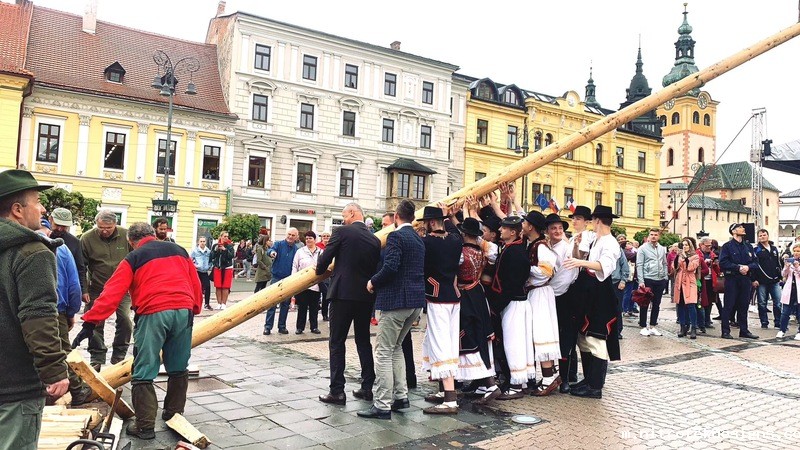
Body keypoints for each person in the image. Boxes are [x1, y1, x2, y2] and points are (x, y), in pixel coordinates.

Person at [72, 222, 202, 440]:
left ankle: (145, 426)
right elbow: (195, 283)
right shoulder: (179, 250)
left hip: (153, 312)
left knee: (144, 369)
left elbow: (112, 293)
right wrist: (193, 308)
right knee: (179, 366)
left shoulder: (133, 258)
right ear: (153, 234)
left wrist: (90, 322)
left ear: (131, 241)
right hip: (183, 310)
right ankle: (173, 414)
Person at [0, 170, 69, 449]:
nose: (42, 209)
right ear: (17, 210)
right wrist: (54, 370)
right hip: (15, 386)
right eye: (38, 202)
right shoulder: (32, 252)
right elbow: (38, 317)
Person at [357, 200, 425, 420]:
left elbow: (391, 266)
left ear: (396, 216)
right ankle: (401, 396)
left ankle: (382, 405)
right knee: (396, 349)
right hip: (414, 303)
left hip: (395, 302)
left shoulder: (396, 236)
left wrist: (373, 281)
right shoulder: (418, 238)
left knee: (384, 352)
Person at [316, 203, 380, 405]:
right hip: (365, 297)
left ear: (352, 213)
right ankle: (367, 388)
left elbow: (324, 259)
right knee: (363, 341)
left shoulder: (341, 232)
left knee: (337, 342)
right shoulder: (374, 239)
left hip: (342, 294)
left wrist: (319, 271)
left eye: (344, 215)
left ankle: (337, 391)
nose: (343, 219)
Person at [562, 205, 622, 399]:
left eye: (593, 220)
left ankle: (595, 386)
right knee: (584, 338)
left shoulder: (610, 242)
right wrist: (578, 253)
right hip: (589, 293)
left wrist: (580, 263)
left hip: (601, 294)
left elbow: (604, 266)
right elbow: (582, 253)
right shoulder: (597, 239)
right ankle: (589, 379)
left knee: (596, 338)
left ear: (597, 221)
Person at [38, 221, 92, 405]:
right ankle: (77, 390)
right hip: (56, 310)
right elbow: (73, 286)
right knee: (61, 351)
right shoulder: (61, 249)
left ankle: (39, 394)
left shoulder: (18, 246)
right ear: (48, 231)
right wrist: (71, 313)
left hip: (24, 312)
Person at [419, 205, 464, 414]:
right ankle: (444, 391)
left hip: (437, 298)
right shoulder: (455, 240)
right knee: (449, 343)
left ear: (431, 222)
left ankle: (450, 400)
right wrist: (449, 216)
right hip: (454, 296)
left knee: (440, 345)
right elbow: (456, 231)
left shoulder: (426, 242)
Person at [81, 209, 132, 371]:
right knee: (94, 322)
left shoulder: (126, 235)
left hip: (122, 288)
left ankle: (119, 354)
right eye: (101, 227)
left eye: (108, 228)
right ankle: (97, 356)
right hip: (97, 287)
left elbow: (135, 259)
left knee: (125, 319)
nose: (104, 231)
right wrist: (84, 289)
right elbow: (81, 266)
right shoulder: (87, 238)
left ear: (115, 224)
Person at [524, 212, 562, 396]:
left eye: (524, 223)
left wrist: (525, 269)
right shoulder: (535, 244)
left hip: (539, 292)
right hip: (537, 292)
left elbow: (545, 271)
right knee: (539, 333)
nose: (522, 225)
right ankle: (550, 374)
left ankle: (548, 378)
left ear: (531, 226)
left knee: (541, 333)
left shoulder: (540, 246)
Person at [548, 209, 580, 393]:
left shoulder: (566, 247)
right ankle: (558, 375)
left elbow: (576, 257)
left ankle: (566, 378)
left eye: (560, 228)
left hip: (565, 296)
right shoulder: (545, 246)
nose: (558, 231)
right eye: (554, 228)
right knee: (552, 337)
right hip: (549, 296)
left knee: (566, 339)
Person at [719, 223, 759, 339]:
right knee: (729, 305)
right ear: (733, 231)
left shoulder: (748, 246)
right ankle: (725, 331)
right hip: (732, 279)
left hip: (745, 279)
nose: (743, 229)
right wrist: (738, 267)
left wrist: (748, 267)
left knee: (744, 305)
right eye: (740, 227)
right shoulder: (727, 246)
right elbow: (723, 262)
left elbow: (755, 262)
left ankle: (744, 330)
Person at [263, 228, 299, 334]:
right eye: (289, 234)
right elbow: (270, 251)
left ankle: (282, 326)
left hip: (289, 279)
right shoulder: (278, 244)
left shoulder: (297, 249)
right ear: (286, 234)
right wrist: (272, 253)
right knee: (272, 302)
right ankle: (268, 327)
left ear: (296, 237)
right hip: (276, 277)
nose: (290, 236)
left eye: (293, 235)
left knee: (285, 304)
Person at [636, 228, 668, 337]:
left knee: (656, 304)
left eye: (655, 234)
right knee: (644, 303)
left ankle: (653, 325)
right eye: (651, 234)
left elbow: (664, 263)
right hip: (648, 278)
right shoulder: (642, 248)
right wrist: (641, 280)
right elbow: (639, 264)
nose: (653, 236)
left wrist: (665, 276)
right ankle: (643, 326)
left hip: (660, 279)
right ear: (649, 236)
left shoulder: (662, 249)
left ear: (659, 236)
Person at [50, 207, 88, 296]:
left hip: (64, 288)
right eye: (57, 225)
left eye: (64, 226)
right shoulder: (42, 236)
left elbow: (80, 268)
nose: (60, 229)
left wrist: (83, 291)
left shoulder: (75, 242)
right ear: (50, 219)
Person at [293, 231, 322, 334]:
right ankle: (300, 327)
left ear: (315, 239)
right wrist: (294, 280)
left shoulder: (321, 252)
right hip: (303, 284)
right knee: (302, 307)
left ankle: (314, 327)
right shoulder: (300, 252)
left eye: (310, 238)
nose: (308, 240)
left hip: (316, 284)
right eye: (307, 238)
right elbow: (295, 266)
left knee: (314, 307)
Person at [754, 229, 782, 329]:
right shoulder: (756, 250)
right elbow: (754, 266)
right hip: (761, 281)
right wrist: (754, 279)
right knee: (762, 303)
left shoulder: (774, 249)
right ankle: (764, 322)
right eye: (760, 235)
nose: (762, 237)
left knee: (778, 302)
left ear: (768, 236)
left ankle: (778, 322)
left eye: (764, 235)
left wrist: (780, 276)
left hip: (774, 280)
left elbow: (778, 263)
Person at [673, 238, 701, 339]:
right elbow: (675, 267)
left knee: (691, 304)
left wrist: (685, 257)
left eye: (686, 245)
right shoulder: (679, 256)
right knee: (680, 304)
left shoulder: (695, 256)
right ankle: (682, 327)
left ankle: (693, 328)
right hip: (680, 280)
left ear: (690, 246)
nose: (684, 247)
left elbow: (691, 267)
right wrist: (678, 256)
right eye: (683, 245)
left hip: (690, 281)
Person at [777, 244, 800, 340]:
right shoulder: (790, 261)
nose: (796, 253)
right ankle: (782, 330)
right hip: (790, 289)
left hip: (798, 289)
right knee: (785, 312)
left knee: (799, 312)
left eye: (798, 251)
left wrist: (797, 267)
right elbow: (783, 274)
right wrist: (786, 266)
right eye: (794, 251)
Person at [611, 235, 630, 341]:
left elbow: (625, 265)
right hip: (603, 281)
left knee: (617, 308)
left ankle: (617, 330)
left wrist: (623, 280)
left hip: (616, 282)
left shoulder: (618, 250)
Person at [255, 235, 274, 332]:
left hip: (267, 271)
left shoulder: (268, 249)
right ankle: (255, 301)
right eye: (268, 240)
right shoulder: (260, 249)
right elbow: (259, 260)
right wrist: (265, 267)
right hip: (262, 271)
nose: (270, 241)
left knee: (264, 286)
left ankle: (261, 301)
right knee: (259, 286)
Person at [211, 231, 235, 310]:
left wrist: (225, 249)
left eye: (227, 236)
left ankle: (224, 304)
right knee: (218, 286)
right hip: (218, 267)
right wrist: (215, 250)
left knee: (225, 286)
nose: (226, 238)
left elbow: (231, 256)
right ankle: (219, 303)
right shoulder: (215, 245)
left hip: (227, 268)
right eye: (224, 236)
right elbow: (212, 256)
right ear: (221, 237)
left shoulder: (230, 246)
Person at [191, 237, 213, 310]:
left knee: (207, 287)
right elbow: (190, 260)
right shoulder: (195, 251)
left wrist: (209, 266)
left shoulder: (208, 251)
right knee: (197, 287)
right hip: (198, 271)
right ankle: (195, 303)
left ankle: (207, 304)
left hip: (205, 272)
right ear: (198, 242)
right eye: (201, 241)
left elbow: (211, 260)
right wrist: (195, 266)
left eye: (204, 241)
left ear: (205, 242)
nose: (202, 243)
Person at [317, 231, 331, 321]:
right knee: (316, 296)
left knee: (326, 295)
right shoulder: (317, 246)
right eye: (324, 236)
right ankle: (313, 314)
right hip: (319, 274)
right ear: (321, 237)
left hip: (328, 274)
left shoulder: (332, 246)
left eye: (328, 236)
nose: (326, 237)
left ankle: (325, 314)